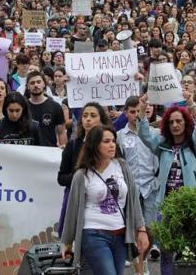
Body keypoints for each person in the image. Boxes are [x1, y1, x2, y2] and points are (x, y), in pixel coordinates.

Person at [61, 125, 149, 275]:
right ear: (94, 145)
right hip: (93, 233)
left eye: (113, 141)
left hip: (120, 235)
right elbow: (72, 210)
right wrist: (67, 242)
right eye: (106, 141)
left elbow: (134, 201)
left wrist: (141, 230)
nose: (112, 144)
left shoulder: (123, 166)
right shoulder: (82, 174)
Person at [136, 90, 196, 275]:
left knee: (189, 249)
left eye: (179, 121)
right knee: (167, 250)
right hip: (166, 205)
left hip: (191, 205)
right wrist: (142, 110)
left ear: (186, 122)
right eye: (171, 122)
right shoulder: (162, 146)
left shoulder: (194, 145)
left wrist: (191, 104)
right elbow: (144, 134)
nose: (175, 125)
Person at [116, 96, 160, 273]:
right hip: (130, 188)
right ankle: (140, 267)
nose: (135, 115)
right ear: (125, 112)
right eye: (132, 112)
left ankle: (142, 259)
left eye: (138, 111)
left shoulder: (154, 134)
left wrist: (157, 178)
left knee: (150, 228)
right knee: (135, 229)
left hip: (150, 186)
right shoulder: (119, 136)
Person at [58, 102, 113, 235]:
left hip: (104, 203)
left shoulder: (111, 144)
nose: (88, 119)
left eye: (93, 115)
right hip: (77, 201)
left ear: (101, 119)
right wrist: (82, 176)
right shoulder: (72, 145)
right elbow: (61, 178)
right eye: (85, 115)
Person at [26, 71, 67, 148]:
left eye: (38, 82)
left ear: (44, 84)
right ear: (28, 86)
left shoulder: (55, 106)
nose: (36, 85)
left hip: (49, 153)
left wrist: (64, 150)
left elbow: (61, 132)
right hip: (29, 153)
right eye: (32, 83)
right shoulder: (23, 107)